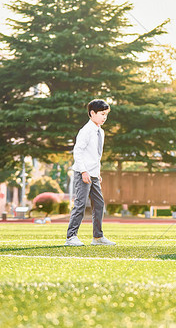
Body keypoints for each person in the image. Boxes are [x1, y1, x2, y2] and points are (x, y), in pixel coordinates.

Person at [65, 99, 115, 246]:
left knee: (99, 204)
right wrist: (84, 171)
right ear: (92, 113)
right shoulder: (86, 131)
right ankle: (71, 237)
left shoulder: (101, 132)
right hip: (83, 174)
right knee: (80, 204)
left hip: (93, 174)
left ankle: (98, 238)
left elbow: (95, 155)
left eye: (106, 114)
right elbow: (78, 152)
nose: (104, 117)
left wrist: (96, 173)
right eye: (101, 114)